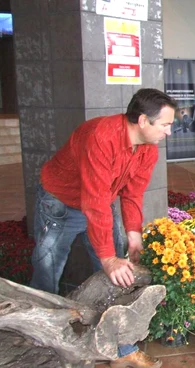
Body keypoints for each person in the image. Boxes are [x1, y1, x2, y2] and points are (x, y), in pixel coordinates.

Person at [30, 88, 176, 368]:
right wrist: (108, 258)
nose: (169, 132)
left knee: (120, 276)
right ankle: (45, 352)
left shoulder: (148, 149)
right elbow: (93, 201)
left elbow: (132, 194)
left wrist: (133, 235)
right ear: (144, 120)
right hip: (59, 204)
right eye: (165, 125)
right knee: (47, 277)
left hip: (100, 201)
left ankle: (121, 351)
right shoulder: (101, 136)